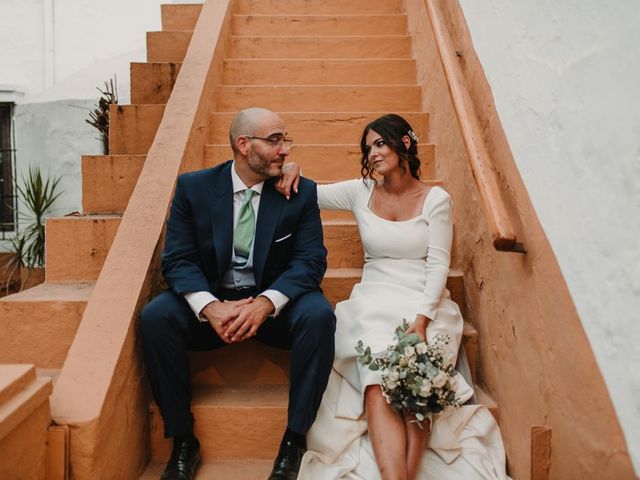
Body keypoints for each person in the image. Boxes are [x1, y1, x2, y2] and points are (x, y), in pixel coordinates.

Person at [276, 114, 511, 479]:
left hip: (424, 302)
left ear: (404, 143)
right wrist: (291, 166)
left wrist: (421, 321)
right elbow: (308, 191)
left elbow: (437, 265)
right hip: (373, 299)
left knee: (418, 382)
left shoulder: (436, 199)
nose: (372, 153)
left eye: (380, 143)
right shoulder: (360, 192)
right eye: (368, 147)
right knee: (376, 383)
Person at [140, 107, 336, 480]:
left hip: (273, 310)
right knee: (155, 317)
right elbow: (178, 259)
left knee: (319, 315)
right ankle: (183, 440)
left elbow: (311, 261)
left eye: (286, 139)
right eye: (275, 140)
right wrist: (210, 307)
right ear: (244, 145)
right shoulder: (193, 188)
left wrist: (266, 303)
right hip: (216, 307)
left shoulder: (299, 192)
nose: (286, 150)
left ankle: (294, 440)